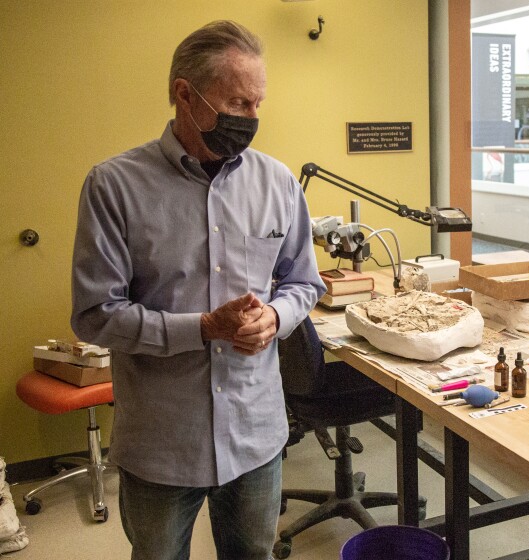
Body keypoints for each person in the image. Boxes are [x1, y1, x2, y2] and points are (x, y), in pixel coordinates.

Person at [70, 20, 326, 560]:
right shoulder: (114, 186)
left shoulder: (276, 183)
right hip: (163, 442)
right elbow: (95, 315)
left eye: (258, 103)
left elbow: (305, 281)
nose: (252, 118)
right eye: (238, 102)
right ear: (184, 95)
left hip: (255, 434)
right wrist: (205, 328)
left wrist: (276, 318)